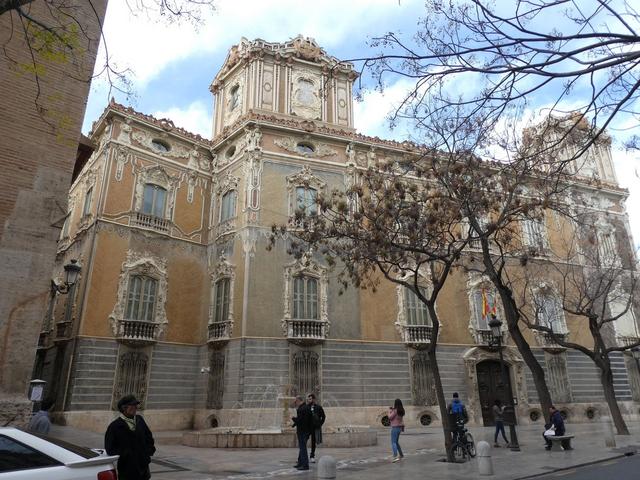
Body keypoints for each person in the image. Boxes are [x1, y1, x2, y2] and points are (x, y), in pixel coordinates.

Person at [105, 395, 156, 480]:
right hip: (127, 469)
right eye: (132, 405)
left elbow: (149, 437)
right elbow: (109, 448)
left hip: (143, 467)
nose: (135, 407)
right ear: (124, 408)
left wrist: (148, 451)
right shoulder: (115, 426)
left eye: (136, 405)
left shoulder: (139, 420)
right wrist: (126, 453)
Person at [292, 395, 313, 471]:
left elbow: (299, 421)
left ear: (298, 401)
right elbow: (305, 420)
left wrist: (293, 419)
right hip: (307, 431)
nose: (295, 403)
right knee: (302, 448)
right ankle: (300, 463)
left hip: (302, 431)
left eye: (295, 401)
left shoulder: (301, 409)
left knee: (303, 448)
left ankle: (305, 465)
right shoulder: (306, 407)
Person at [306, 393, 326, 463]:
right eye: (308, 399)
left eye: (310, 399)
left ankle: (312, 456)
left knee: (313, 442)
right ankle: (302, 457)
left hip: (315, 427)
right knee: (303, 441)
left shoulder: (318, 407)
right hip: (307, 427)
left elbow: (323, 416)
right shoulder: (306, 407)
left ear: (314, 399)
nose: (309, 400)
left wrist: (320, 424)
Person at [388, 398, 405, 462]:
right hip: (399, 428)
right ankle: (401, 455)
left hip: (395, 428)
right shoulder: (402, 410)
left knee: (393, 442)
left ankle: (395, 456)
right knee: (396, 442)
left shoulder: (395, 411)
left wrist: (390, 411)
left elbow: (390, 417)